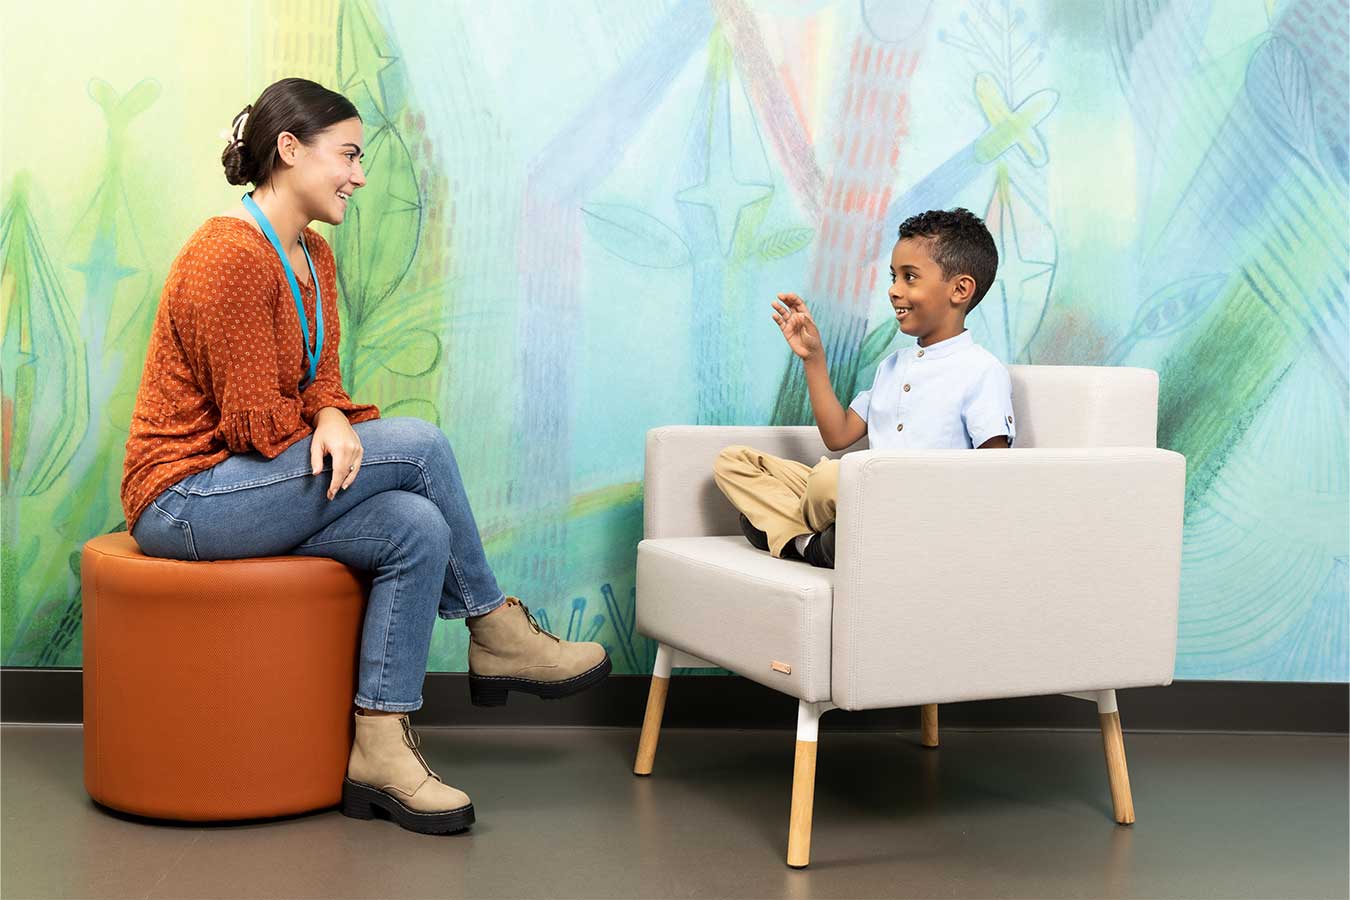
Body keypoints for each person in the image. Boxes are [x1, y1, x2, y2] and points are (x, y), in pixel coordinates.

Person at [119, 78, 609, 836]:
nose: (360, 174)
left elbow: (321, 381)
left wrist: (329, 412)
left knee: (417, 526)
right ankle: (492, 625)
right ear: (288, 150)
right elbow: (251, 425)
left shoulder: (313, 254)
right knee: (418, 445)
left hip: (252, 486)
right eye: (346, 155)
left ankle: (381, 750)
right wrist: (333, 422)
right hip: (185, 499)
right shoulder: (229, 256)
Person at [713, 208, 1016, 568]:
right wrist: (813, 358)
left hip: (913, 510)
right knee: (733, 462)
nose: (893, 290)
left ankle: (791, 532)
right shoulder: (892, 366)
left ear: (960, 289)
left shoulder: (981, 370)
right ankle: (811, 543)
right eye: (893, 277)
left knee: (828, 478)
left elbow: (996, 474)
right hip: (857, 493)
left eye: (909, 277)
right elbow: (838, 435)